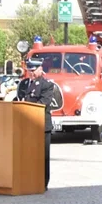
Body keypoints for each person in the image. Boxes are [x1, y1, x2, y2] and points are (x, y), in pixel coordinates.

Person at [21, 58, 59, 189]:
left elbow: (43, 103)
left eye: (33, 70)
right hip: (25, 125)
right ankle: (26, 180)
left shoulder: (47, 84)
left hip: (41, 124)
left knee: (43, 156)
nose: (31, 73)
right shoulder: (24, 84)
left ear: (40, 69)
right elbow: (18, 100)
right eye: (29, 70)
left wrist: (25, 108)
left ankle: (43, 182)